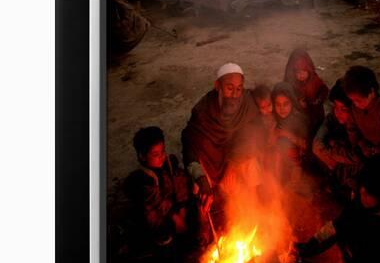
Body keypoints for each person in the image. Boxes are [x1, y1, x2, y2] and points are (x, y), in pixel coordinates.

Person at [296, 156, 380, 263]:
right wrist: (310, 245)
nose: (362, 192)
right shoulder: (360, 204)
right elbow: (337, 226)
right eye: (362, 187)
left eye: (368, 192)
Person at [182, 63, 260, 216]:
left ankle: (253, 211)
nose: (234, 95)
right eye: (229, 88)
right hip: (212, 162)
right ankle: (205, 217)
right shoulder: (202, 111)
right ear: (217, 86)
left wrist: (233, 164)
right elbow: (189, 146)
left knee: (252, 165)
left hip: (233, 161)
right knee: (198, 186)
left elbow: (253, 136)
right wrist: (202, 181)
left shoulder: (247, 105)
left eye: (239, 89)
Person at [124, 126, 192, 250]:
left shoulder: (169, 164)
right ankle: (161, 240)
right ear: (142, 156)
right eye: (155, 154)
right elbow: (158, 203)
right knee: (158, 226)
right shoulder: (144, 179)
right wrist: (176, 218)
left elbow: (179, 182)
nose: (161, 157)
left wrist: (182, 208)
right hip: (158, 216)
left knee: (194, 208)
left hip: (173, 207)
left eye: (163, 151)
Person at [312, 79, 363, 198]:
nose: (337, 113)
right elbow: (317, 143)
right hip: (336, 161)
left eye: (343, 109)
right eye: (335, 107)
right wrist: (328, 155)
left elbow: (359, 156)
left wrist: (333, 151)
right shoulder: (333, 118)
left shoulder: (364, 126)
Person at [341, 66, 380, 159]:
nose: (355, 104)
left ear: (372, 92)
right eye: (352, 100)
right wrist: (361, 144)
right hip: (365, 150)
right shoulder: (354, 109)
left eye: (358, 100)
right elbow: (352, 129)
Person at [271, 81, 310, 186]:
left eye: (286, 104)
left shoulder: (299, 119)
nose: (282, 108)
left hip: (297, 162)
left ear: (292, 102)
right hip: (278, 161)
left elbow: (305, 146)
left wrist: (287, 134)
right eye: (278, 104)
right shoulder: (273, 119)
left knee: (294, 185)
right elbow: (269, 145)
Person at [284, 48, 329, 135]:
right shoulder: (292, 84)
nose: (301, 75)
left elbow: (324, 90)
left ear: (309, 69)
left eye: (303, 71)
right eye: (297, 72)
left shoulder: (314, 80)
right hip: (299, 118)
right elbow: (287, 95)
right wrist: (296, 102)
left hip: (315, 115)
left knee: (315, 132)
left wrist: (317, 101)